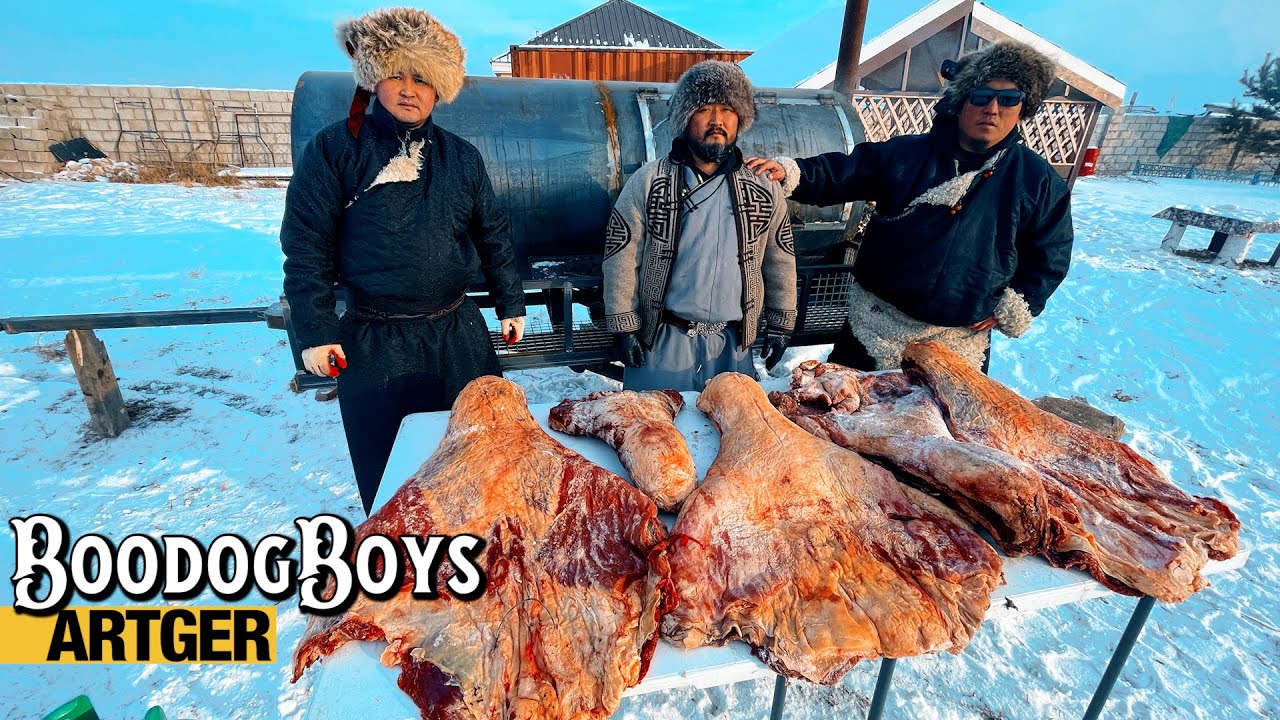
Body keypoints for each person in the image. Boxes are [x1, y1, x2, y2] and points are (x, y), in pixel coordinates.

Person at [280, 7, 526, 515]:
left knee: (476, 453)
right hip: (375, 340)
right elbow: (307, 243)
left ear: (439, 89)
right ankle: (396, 557)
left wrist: (510, 302)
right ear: (373, 80)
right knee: (390, 469)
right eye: (396, 73)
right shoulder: (334, 150)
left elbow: (493, 232)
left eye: (422, 78)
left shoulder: (461, 158)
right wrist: (316, 329)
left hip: (457, 333)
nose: (409, 89)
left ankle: (473, 548)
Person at [746, 40, 1073, 373]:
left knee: (940, 425)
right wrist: (792, 172)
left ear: (1022, 108)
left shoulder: (1038, 181)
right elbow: (847, 172)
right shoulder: (907, 155)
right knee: (843, 416)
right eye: (980, 96)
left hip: (959, 343)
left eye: (1008, 99)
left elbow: (1051, 254)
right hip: (872, 327)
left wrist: (1018, 302)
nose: (992, 108)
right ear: (960, 102)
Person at [604, 60, 797, 391]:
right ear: (685, 117)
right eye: (705, 109)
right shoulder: (650, 181)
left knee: (728, 434)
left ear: (741, 119)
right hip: (663, 341)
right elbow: (621, 255)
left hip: (732, 345)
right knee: (655, 434)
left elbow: (780, 258)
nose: (717, 120)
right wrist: (623, 326)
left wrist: (780, 323)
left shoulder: (762, 188)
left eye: (727, 109)